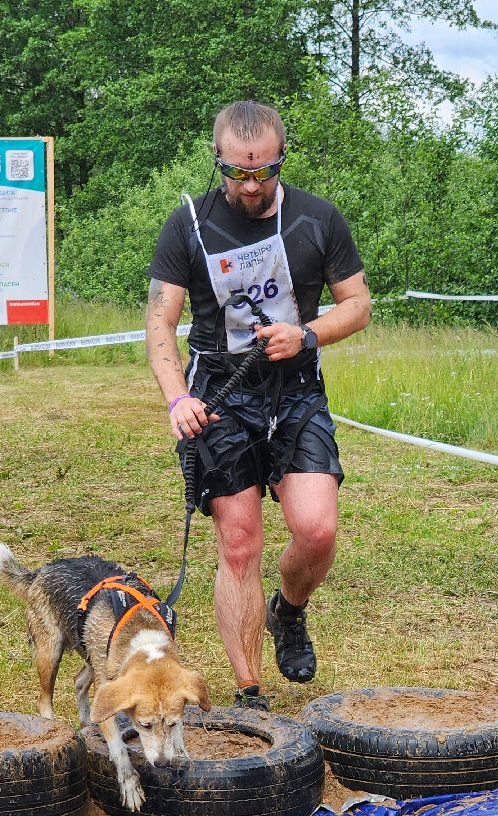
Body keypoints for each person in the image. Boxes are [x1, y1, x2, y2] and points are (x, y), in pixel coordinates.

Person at [145, 100, 371, 711]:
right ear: (218, 161)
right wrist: (177, 399)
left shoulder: (318, 218)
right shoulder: (188, 223)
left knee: (317, 530)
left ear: (280, 160)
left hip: (294, 389)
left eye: (263, 173)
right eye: (237, 173)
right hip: (220, 393)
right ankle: (250, 692)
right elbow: (161, 324)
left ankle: (288, 611)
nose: (250, 186)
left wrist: (310, 334)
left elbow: (358, 304)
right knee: (239, 544)